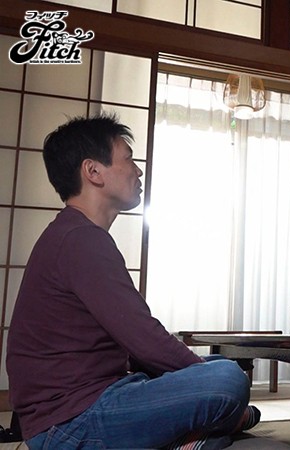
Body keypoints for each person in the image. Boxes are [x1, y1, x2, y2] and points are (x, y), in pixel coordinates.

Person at [6, 114, 260, 449]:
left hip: (88, 404)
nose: (138, 171)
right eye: (128, 159)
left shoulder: (74, 233)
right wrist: (206, 381)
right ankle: (214, 425)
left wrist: (195, 374)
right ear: (93, 171)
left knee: (217, 368)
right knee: (226, 379)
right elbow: (145, 339)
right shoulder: (80, 239)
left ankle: (201, 434)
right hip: (71, 422)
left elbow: (134, 346)